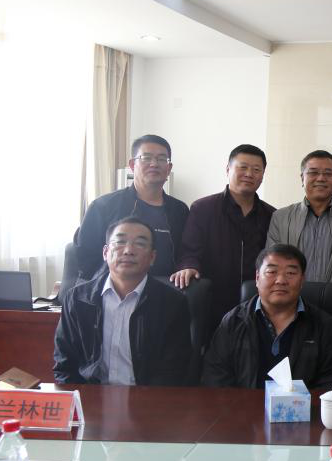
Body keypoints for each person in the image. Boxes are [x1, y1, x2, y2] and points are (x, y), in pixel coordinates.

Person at [54, 217, 191, 385]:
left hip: (148, 397)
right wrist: (80, 398)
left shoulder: (172, 304)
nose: (128, 250)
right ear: (105, 253)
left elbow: (174, 370)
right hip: (90, 395)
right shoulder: (77, 299)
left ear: (152, 257)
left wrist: (147, 400)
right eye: (120, 242)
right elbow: (64, 364)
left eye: (140, 244)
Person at [201, 244, 332, 390]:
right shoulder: (233, 322)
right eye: (272, 272)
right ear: (257, 278)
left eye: (290, 273)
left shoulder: (325, 326)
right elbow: (215, 378)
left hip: (305, 406)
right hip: (243, 406)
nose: (281, 280)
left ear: (302, 280)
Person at [170, 144, 275, 328]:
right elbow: (189, 250)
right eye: (243, 167)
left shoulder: (271, 215)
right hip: (212, 303)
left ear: (263, 175)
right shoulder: (203, 208)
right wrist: (188, 266)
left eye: (256, 169)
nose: (249, 174)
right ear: (228, 169)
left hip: (256, 305)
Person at [74, 134, 189, 279]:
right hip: (115, 287)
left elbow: (187, 253)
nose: (154, 164)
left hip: (167, 289)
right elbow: (85, 258)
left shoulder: (180, 210)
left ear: (168, 168)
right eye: (146, 158)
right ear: (132, 165)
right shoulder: (103, 207)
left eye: (161, 159)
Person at [266, 150, 332, 295]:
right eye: (313, 172)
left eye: (328, 174)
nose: (321, 178)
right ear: (302, 178)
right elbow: (272, 262)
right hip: (290, 300)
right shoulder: (280, 217)